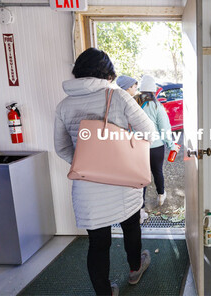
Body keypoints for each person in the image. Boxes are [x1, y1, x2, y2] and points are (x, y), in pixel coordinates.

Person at [54, 48, 156, 296]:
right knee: (131, 227)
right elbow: (149, 132)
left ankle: (104, 292)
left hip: (87, 188)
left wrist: (87, 166)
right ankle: (134, 269)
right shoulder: (118, 96)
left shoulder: (64, 105)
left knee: (98, 244)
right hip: (123, 181)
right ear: (107, 72)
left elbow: (61, 147)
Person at [135, 75, 179, 223]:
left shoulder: (133, 104)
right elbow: (165, 129)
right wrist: (172, 145)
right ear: (153, 91)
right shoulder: (156, 106)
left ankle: (140, 211)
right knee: (157, 171)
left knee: (141, 177)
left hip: (138, 147)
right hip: (156, 147)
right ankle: (161, 194)